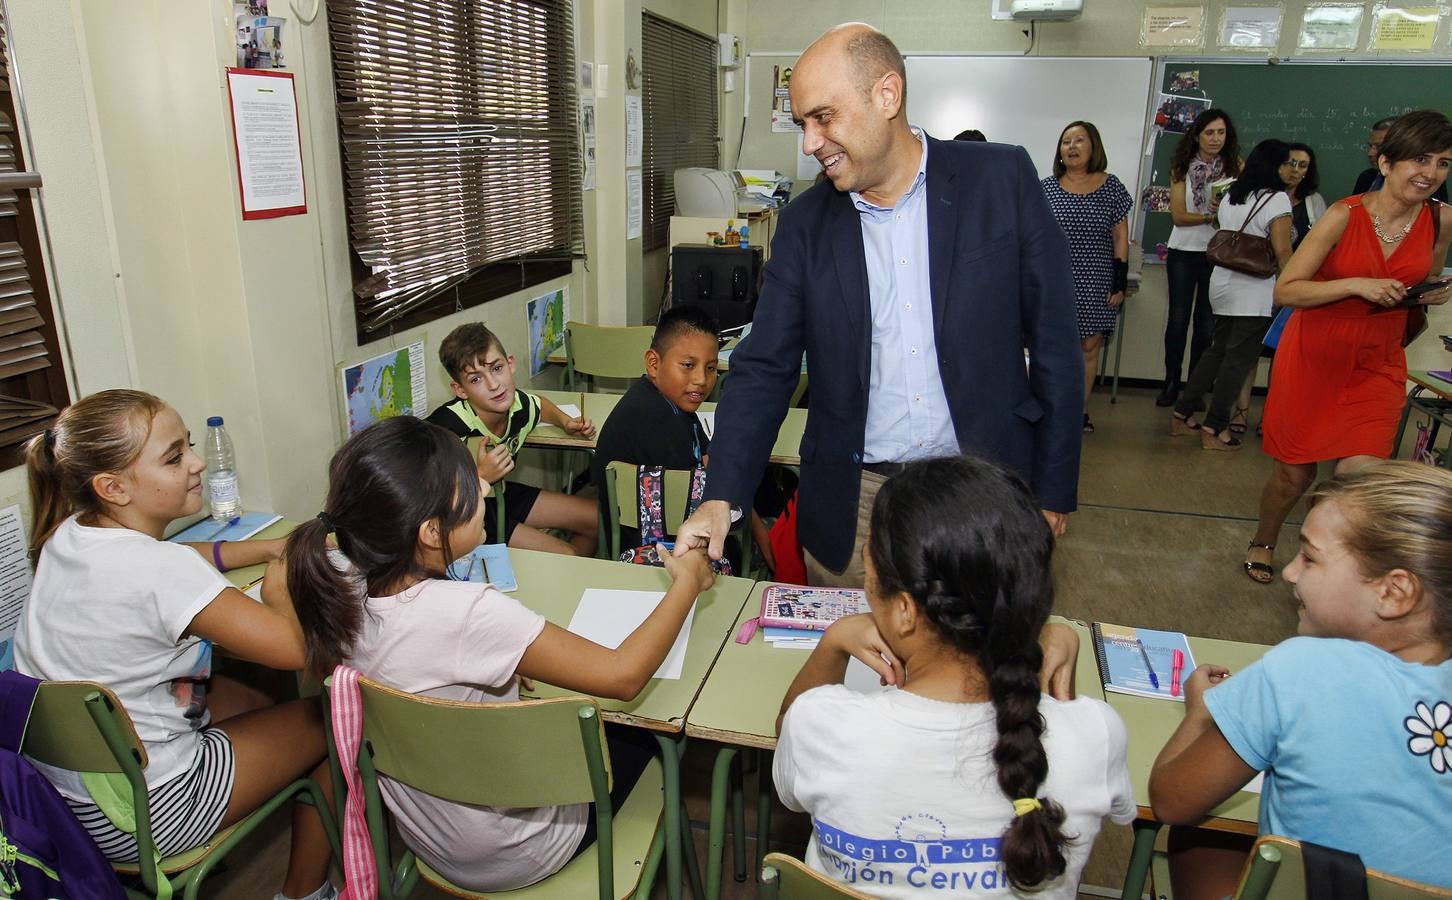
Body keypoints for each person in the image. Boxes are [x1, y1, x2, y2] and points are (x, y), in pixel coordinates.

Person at [674, 23, 1083, 587]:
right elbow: (764, 367)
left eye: (823, 117)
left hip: (983, 492)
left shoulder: (1001, 180)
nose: (810, 142)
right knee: (845, 671)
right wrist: (722, 496)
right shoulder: (805, 225)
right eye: (802, 124)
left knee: (976, 669)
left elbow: (1057, 342)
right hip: (855, 504)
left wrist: (1054, 488)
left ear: (886, 95)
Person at [285, 415, 716, 892]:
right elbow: (624, 675)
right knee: (652, 735)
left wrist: (496, 664)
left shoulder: (339, 588)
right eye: (471, 488)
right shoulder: (469, 612)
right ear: (430, 532)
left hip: (430, 839)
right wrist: (688, 584)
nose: (486, 493)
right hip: (519, 849)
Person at [13, 389, 336, 900]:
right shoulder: (162, 573)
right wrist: (278, 593)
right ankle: (304, 892)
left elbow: (179, 553)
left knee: (257, 695)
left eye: (187, 445)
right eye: (175, 456)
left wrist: (272, 544)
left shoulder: (66, 534)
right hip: (149, 811)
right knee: (335, 719)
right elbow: (298, 651)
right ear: (114, 486)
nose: (198, 462)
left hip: (68, 798)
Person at [773, 456, 1135, 898]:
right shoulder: (1097, 734)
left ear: (905, 610)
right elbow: (1072, 755)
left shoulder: (821, 724)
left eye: (869, 576)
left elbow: (788, 758)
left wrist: (832, 642)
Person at [1149, 461, 1452, 896]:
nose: (1290, 571)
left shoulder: (1298, 670)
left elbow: (1170, 800)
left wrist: (1201, 713)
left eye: (1309, 557)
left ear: (1394, 591)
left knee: (1197, 832)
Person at [1246, 110, 1452, 585]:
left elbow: (1424, 275)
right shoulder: (1344, 214)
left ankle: (1321, 563)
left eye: (1443, 163)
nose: (1431, 173)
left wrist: (1431, 291)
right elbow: (1288, 290)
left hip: (1377, 361)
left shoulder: (1441, 219)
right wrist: (1356, 284)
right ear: (1385, 162)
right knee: (1293, 478)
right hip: (1316, 355)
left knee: (1357, 481)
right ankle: (1265, 539)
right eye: (1419, 159)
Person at [591, 306, 773, 568]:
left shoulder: (670, 403)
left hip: (643, 543)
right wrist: (758, 533)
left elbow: (712, 460)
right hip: (668, 551)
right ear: (654, 364)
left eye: (711, 368)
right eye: (688, 365)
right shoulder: (660, 422)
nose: (701, 379)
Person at [425, 322, 598, 557]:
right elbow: (425, 503)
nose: (494, 384)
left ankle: (568, 574)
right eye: (476, 379)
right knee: (568, 555)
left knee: (599, 518)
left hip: (502, 495)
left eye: (497, 369)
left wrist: (565, 421)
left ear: (510, 364)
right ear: (460, 390)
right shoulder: (446, 430)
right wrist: (480, 477)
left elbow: (539, 404)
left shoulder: (517, 404)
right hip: (469, 517)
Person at [1171, 140, 1293, 451]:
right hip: (1254, 289)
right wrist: (1292, 285)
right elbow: (1282, 250)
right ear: (1275, 166)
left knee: (1217, 352)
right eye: (1287, 163)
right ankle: (1215, 427)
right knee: (1238, 360)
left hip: (1222, 283)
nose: (1291, 170)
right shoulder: (1277, 199)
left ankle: (1183, 413)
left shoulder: (1231, 194)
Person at [1040, 120, 1132, 434]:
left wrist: (1119, 282)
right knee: (1052, 348)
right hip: (1054, 282)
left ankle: (1078, 412)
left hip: (1095, 279)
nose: (1072, 146)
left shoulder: (1111, 186)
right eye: (1066, 141)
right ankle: (1051, 409)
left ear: (1093, 146)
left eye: (1080, 140)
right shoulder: (1046, 188)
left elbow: (1120, 236)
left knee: (1088, 348)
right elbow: (1034, 235)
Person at [1159, 109, 1242, 407]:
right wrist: (1212, 214)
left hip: (1217, 253)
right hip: (1183, 252)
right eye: (1209, 132)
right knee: (1178, 320)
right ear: (1197, 136)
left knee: (1206, 325)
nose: (1215, 139)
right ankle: (1170, 383)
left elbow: (1242, 213)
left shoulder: (1236, 168)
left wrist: (1223, 213)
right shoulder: (1182, 167)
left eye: (1221, 132)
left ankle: (1194, 390)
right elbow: (1179, 216)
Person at [1353, 115, 1449, 202]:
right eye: (1371, 146)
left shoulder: (1426, 183)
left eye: (1379, 146)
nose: (1371, 153)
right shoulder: (1366, 177)